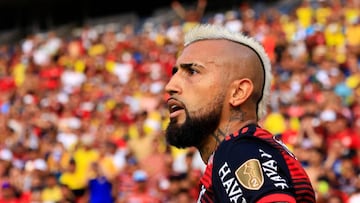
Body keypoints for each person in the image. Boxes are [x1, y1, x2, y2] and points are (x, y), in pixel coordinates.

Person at [164, 24, 316, 202]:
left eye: (192, 71)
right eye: (175, 73)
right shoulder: (239, 151)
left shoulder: (239, 151)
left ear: (238, 92)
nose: (170, 86)